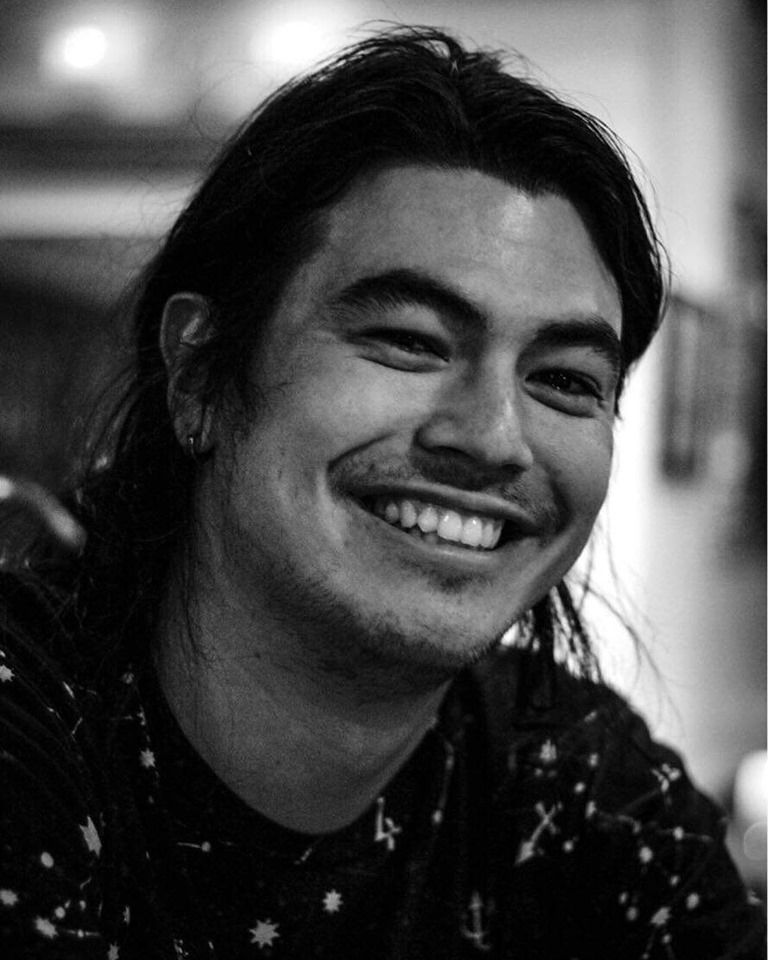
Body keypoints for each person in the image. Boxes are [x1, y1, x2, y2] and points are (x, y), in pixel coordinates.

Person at [0, 26, 763, 960]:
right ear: (199, 372)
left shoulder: (585, 790)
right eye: (408, 339)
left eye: (565, 380)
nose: (490, 437)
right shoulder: (28, 730)